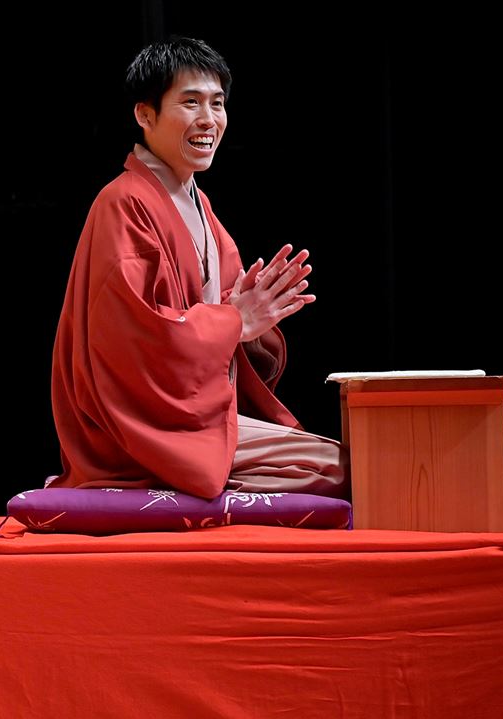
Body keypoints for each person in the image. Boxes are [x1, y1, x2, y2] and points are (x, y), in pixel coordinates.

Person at [49, 37, 347, 500]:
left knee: (338, 468)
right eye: (190, 103)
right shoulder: (123, 202)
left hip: (188, 410)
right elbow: (132, 337)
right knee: (336, 471)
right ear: (145, 114)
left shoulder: (198, 204)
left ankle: (189, 487)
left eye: (217, 103)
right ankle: (174, 481)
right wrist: (234, 321)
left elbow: (224, 315)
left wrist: (253, 319)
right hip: (145, 423)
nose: (209, 119)